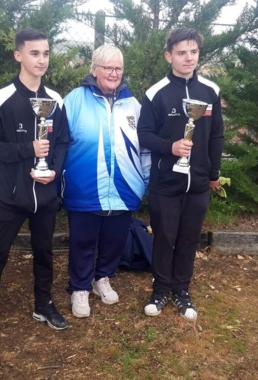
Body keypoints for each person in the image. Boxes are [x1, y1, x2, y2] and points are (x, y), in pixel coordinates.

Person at [0, 28, 69, 350]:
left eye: (45, 53)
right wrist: (26, 149)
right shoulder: (1, 99)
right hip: (10, 197)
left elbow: (63, 142)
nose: (41, 60)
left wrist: (53, 169)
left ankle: (43, 304)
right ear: (18, 55)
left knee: (44, 253)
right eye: (34, 53)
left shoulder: (55, 100)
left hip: (45, 195)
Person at [137, 27, 224, 321]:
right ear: (169, 56)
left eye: (193, 52)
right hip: (165, 182)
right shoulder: (155, 93)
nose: (188, 58)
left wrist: (213, 172)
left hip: (198, 183)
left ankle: (182, 290)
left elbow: (216, 136)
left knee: (188, 238)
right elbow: (144, 135)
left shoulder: (210, 91)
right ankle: (160, 289)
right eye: (181, 53)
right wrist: (170, 147)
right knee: (164, 237)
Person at [61, 44, 150, 318]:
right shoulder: (75, 100)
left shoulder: (133, 105)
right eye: (107, 67)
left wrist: (145, 181)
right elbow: (60, 145)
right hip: (84, 187)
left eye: (118, 68)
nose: (113, 73)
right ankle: (79, 287)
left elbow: (144, 147)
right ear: (94, 69)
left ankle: (103, 278)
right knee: (82, 241)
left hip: (124, 189)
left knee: (114, 239)